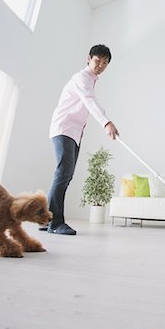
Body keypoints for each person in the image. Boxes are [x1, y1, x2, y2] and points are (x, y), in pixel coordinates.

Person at [42, 44, 118, 235]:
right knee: (63, 174)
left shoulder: (91, 80)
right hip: (64, 128)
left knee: (66, 175)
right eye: (97, 60)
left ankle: (46, 219)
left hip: (74, 132)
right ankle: (55, 223)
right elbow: (89, 101)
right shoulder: (82, 78)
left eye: (104, 63)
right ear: (88, 59)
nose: (100, 65)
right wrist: (106, 122)